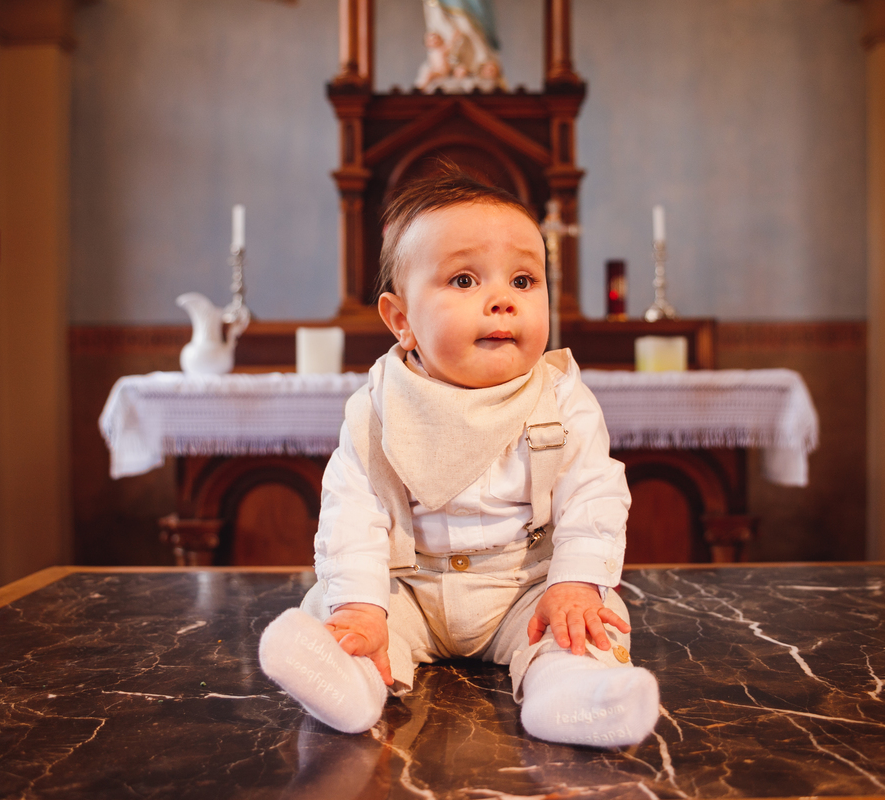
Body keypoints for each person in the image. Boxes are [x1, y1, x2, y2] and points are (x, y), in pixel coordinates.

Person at [259, 169, 660, 748]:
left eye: (524, 279)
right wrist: (363, 605)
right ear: (402, 321)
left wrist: (574, 582)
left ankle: (568, 692)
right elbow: (353, 510)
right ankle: (351, 684)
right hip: (409, 585)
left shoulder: (561, 396)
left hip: (524, 587)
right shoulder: (377, 408)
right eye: (465, 279)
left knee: (586, 623)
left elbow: (593, 493)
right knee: (340, 609)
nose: (502, 300)